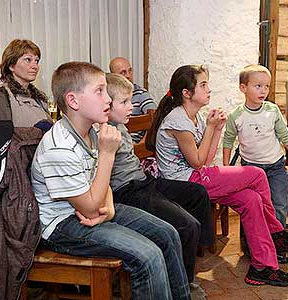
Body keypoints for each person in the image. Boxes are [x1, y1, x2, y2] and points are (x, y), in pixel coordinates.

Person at [31, 61, 190, 299]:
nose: (108, 99)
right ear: (73, 101)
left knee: (167, 234)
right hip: (62, 225)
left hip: (93, 208)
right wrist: (107, 154)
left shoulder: (93, 132)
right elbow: (88, 205)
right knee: (147, 256)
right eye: (99, 91)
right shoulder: (59, 147)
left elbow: (100, 183)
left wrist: (110, 209)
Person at [146, 64, 288, 287]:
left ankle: (262, 268)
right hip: (184, 184)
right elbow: (198, 162)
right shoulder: (178, 120)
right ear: (187, 93)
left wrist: (217, 128)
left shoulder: (196, 117)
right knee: (257, 175)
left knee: (251, 200)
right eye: (203, 85)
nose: (209, 89)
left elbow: (206, 158)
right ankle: (277, 232)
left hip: (198, 176)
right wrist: (212, 128)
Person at [106, 73, 213, 289]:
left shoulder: (120, 125)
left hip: (144, 181)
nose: (131, 106)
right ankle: (183, 283)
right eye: (125, 102)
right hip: (129, 191)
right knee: (187, 225)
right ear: (106, 105)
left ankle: (194, 252)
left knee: (197, 193)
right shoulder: (105, 132)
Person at [223, 64, 288, 227]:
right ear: (243, 88)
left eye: (266, 86)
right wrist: (226, 166)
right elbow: (228, 140)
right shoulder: (236, 115)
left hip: (276, 167)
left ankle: (278, 240)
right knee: (252, 206)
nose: (263, 91)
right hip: (250, 169)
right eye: (258, 86)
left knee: (278, 205)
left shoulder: (272, 110)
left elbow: (284, 134)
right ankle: (250, 243)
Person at [0, 39, 54, 126]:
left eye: (36, 61)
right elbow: (3, 134)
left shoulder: (41, 96)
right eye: (28, 60)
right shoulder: (2, 95)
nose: (35, 66)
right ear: (11, 66)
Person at [110, 57, 156, 142]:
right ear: (113, 76)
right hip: (113, 142)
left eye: (130, 71)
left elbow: (155, 117)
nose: (128, 75)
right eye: (123, 72)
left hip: (134, 144)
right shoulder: (108, 95)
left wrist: (142, 145)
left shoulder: (141, 94)